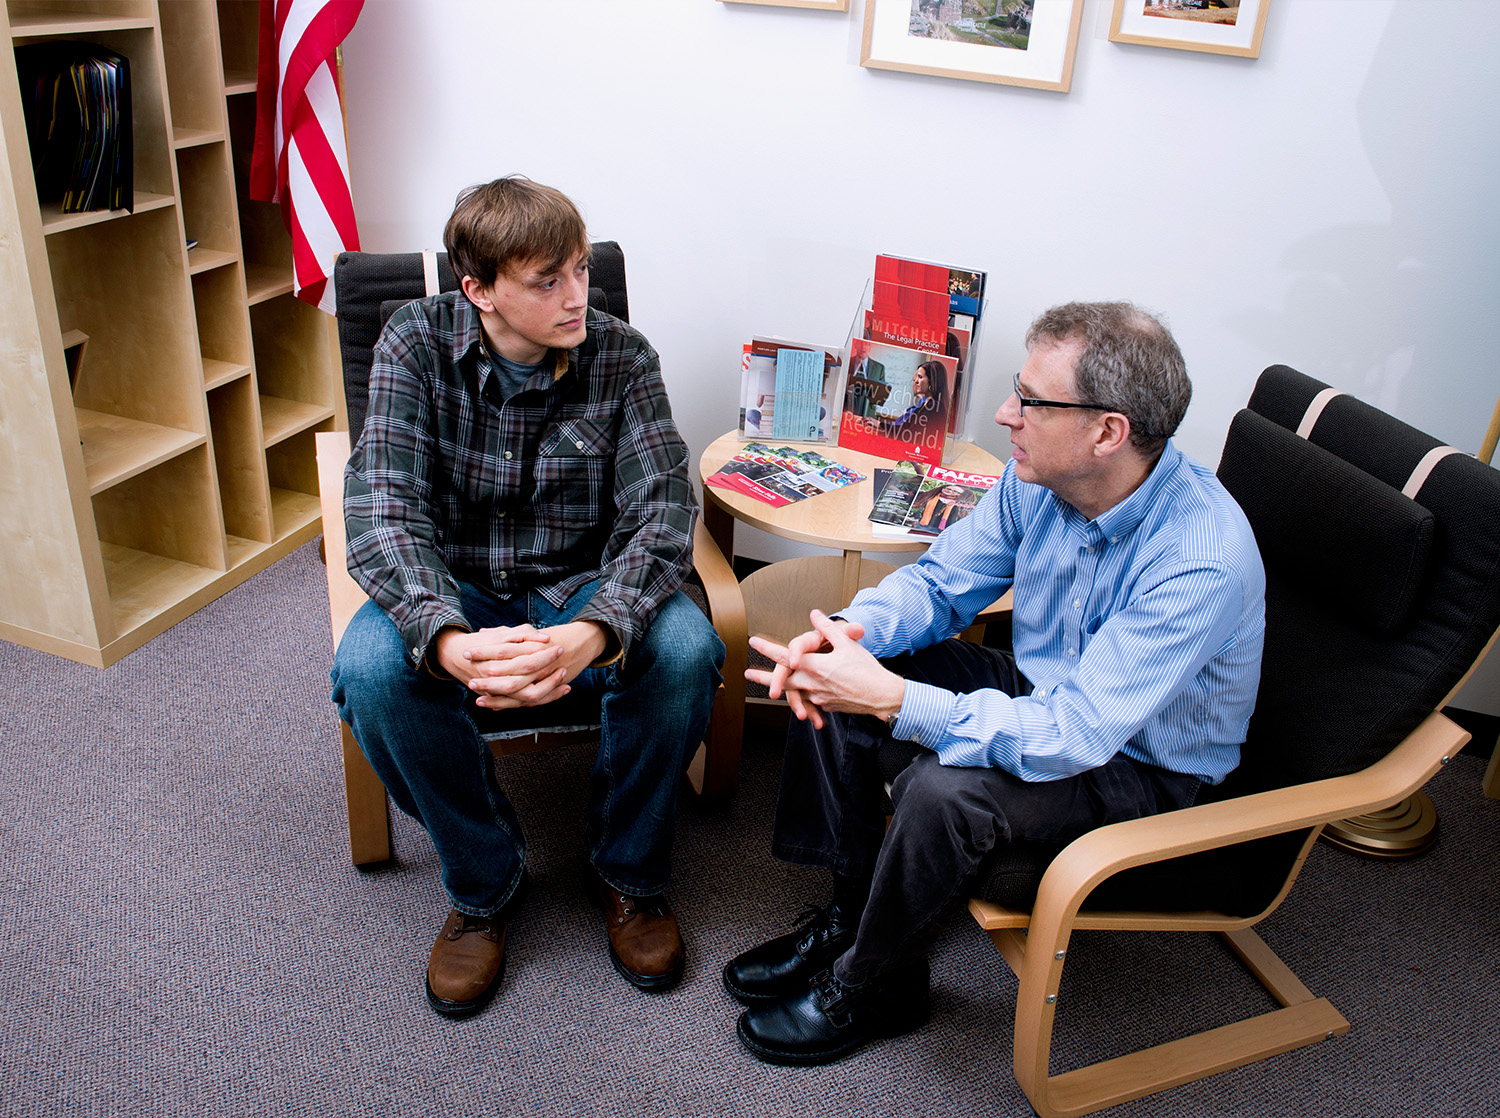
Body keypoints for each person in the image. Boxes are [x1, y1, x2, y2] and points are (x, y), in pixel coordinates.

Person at [722, 301, 1265, 1065]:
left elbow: (1074, 735)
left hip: (1137, 763)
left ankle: (879, 984)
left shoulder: (1199, 560)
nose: (1007, 414)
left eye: (1032, 402)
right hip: (1047, 691)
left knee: (941, 788)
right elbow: (943, 585)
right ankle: (854, 912)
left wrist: (897, 701)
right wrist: (852, 634)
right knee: (841, 675)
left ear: (1106, 432)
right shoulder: (1037, 477)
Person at [330, 176, 725, 1018]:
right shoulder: (411, 343)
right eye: (548, 280)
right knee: (368, 669)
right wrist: (442, 637)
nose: (577, 296)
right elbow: (382, 505)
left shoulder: (622, 355)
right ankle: (485, 885)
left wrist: (595, 629)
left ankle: (628, 874)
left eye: (581, 269)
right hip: (458, 584)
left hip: (581, 587)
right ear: (478, 290)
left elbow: (661, 510)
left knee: (689, 648)